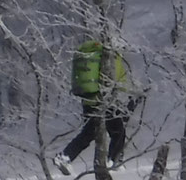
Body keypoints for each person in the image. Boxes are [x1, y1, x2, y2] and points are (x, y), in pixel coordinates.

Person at [57, 41, 136, 171]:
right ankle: (112, 162)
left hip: (88, 99)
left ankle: (66, 157)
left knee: (91, 132)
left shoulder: (95, 55)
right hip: (103, 101)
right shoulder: (112, 58)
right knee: (117, 131)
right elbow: (117, 81)